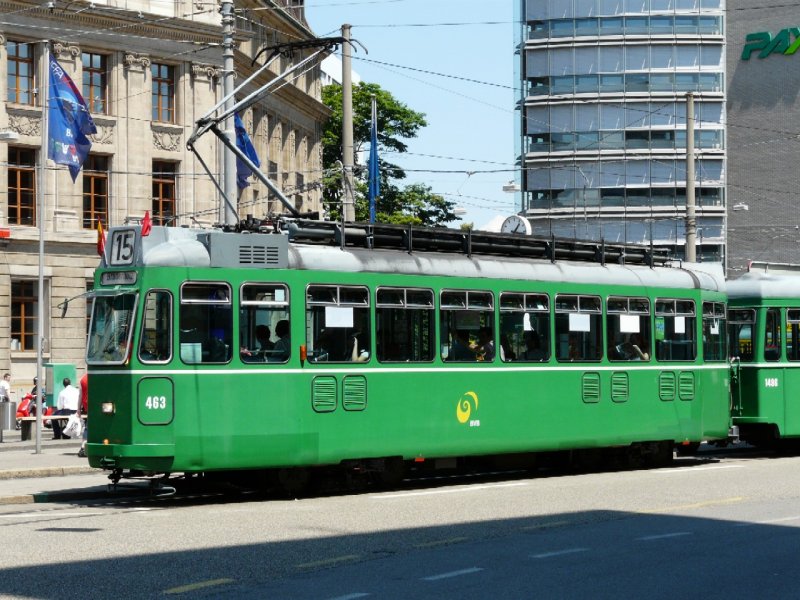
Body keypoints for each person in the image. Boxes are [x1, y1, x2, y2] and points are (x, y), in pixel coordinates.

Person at [77, 373, 88, 457]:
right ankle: (84, 447)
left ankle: (83, 447)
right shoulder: (96, 376)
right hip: (97, 406)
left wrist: (78, 409)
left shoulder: (83, 378)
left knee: (87, 427)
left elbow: (80, 395)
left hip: (86, 406)